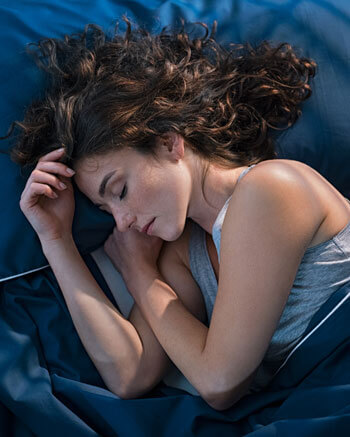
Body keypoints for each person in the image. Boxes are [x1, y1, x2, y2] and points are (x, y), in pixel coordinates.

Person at [4, 19, 350, 411]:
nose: (122, 221)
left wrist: (140, 274)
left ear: (170, 143)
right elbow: (129, 374)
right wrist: (57, 240)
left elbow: (221, 383)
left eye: (120, 191)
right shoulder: (185, 253)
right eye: (104, 209)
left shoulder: (270, 189)